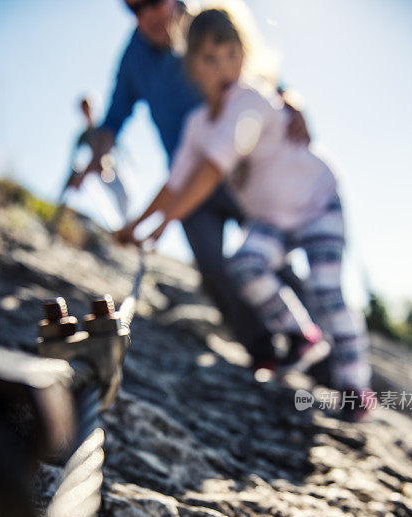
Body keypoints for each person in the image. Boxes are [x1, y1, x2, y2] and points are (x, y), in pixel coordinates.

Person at [116, 7, 373, 418]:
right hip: (272, 218)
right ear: (191, 66)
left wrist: (164, 222)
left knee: (327, 291)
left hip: (317, 204)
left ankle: (355, 387)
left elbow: (213, 168)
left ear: (246, 54)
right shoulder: (198, 123)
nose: (224, 68)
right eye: (210, 59)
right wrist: (137, 224)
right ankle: (300, 335)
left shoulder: (250, 100)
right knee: (244, 266)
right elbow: (175, 182)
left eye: (232, 55)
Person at [74, 0, 312, 375]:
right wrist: (93, 161)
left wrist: (290, 99)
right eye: (135, 9)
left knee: (269, 254)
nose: (148, 15)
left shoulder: (208, 24)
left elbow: (257, 74)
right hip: (188, 182)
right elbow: (114, 118)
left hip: (240, 171)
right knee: (212, 266)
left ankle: (314, 341)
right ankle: (263, 351)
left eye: (153, 2)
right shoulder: (135, 57)